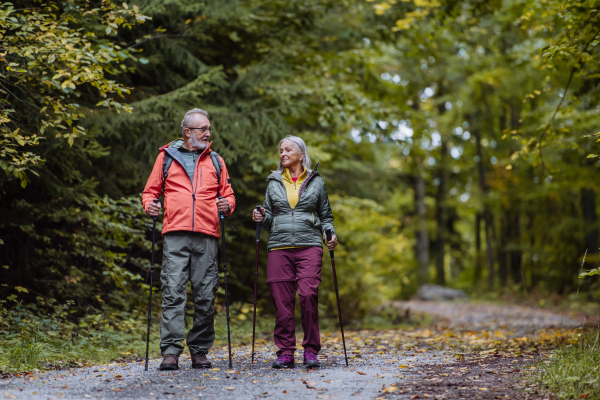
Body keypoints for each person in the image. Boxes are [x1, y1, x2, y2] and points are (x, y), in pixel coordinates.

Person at [142, 108, 236, 370]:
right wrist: (150, 204)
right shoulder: (166, 158)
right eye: (203, 129)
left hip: (207, 235)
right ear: (187, 132)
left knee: (205, 294)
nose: (208, 133)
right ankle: (171, 351)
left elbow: (228, 195)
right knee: (173, 292)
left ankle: (200, 350)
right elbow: (150, 192)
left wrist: (226, 205)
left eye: (208, 129)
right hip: (175, 234)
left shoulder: (216, 160)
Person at [252, 135, 338, 369]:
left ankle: (310, 351)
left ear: (301, 154)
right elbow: (269, 217)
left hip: (309, 244)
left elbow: (325, 216)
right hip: (279, 246)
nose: (283, 154)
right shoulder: (273, 182)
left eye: (288, 150)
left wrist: (330, 234)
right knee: (282, 303)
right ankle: (286, 352)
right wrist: (261, 216)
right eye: (281, 150)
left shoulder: (316, 182)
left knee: (308, 295)